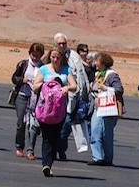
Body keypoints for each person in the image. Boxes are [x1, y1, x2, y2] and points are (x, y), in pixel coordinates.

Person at [33, 46, 77, 177]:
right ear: (49, 57)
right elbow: (35, 87)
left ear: (62, 58)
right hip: (44, 110)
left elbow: (75, 86)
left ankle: (49, 162)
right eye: (53, 57)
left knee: (55, 137)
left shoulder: (66, 70)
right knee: (47, 137)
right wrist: (45, 85)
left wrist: (67, 88)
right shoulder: (43, 69)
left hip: (59, 110)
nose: (55, 59)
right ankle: (46, 164)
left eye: (58, 57)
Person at [53, 33, 90, 161]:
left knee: (67, 124)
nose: (62, 45)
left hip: (73, 96)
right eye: (59, 43)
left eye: (64, 43)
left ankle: (60, 148)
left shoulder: (74, 56)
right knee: (54, 125)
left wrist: (85, 93)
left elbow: (81, 74)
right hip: (56, 97)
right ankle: (53, 149)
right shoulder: (52, 56)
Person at [88, 52, 124, 166]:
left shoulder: (112, 75)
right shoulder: (98, 74)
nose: (95, 64)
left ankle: (108, 158)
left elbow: (119, 89)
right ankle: (97, 157)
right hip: (97, 108)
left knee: (106, 134)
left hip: (109, 109)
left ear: (103, 62)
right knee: (94, 132)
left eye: (97, 61)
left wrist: (106, 88)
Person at [12, 42, 44, 160]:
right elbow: (14, 78)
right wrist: (22, 80)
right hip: (22, 96)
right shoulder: (23, 64)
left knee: (33, 125)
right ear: (29, 53)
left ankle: (31, 150)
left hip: (36, 99)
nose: (35, 58)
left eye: (38, 55)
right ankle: (19, 147)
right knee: (21, 122)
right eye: (33, 55)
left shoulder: (43, 67)